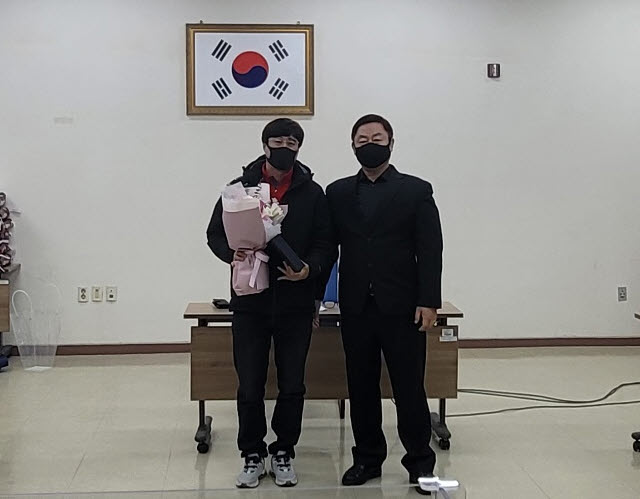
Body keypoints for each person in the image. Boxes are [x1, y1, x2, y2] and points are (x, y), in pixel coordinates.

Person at [206, 118, 335, 489]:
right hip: (250, 301)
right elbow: (215, 234)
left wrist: (309, 270)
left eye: (292, 142)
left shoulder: (313, 193)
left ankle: (283, 451)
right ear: (265, 146)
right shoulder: (239, 189)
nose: (284, 147)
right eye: (278, 141)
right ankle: (251, 452)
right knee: (250, 383)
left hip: (295, 303)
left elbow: (326, 242)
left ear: (299, 148)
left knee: (293, 383)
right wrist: (231, 254)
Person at [326, 114, 443, 494]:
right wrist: (315, 295)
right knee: (361, 386)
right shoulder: (338, 193)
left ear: (391, 143)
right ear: (353, 146)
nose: (370, 144)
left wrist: (429, 300)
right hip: (356, 306)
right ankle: (367, 458)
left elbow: (430, 250)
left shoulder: (416, 190)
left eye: (377, 138)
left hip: (403, 306)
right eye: (362, 139)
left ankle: (420, 463)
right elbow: (328, 248)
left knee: (409, 388)